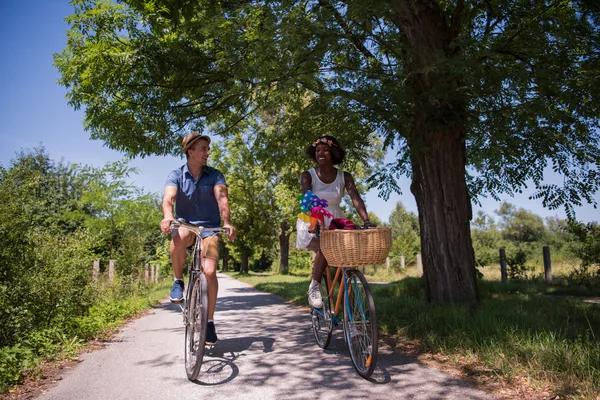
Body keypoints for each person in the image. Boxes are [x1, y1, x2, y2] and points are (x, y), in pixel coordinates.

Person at [160, 132, 236, 344]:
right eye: (203, 149)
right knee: (179, 233)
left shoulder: (215, 175)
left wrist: (227, 222)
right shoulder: (176, 175)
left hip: (210, 228)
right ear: (190, 151)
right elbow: (169, 198)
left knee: (210, 271)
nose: (207, 153)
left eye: (207, 149)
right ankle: (178, 280)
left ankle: (209, 322)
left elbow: (222, 199)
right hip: (187, 225)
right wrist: (168, 217)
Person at [300, 135, 375, 309]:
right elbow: (307, 195)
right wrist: (315, 219)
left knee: (346, 263)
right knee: (325, 246)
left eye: (325, 150)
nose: (321, 153)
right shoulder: (308, 175)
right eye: (318, 150)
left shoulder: (344, 176)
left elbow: (355, 197)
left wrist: (366, 220)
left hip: (334, 220)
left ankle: (353, 318)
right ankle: (314, 286)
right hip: (313, 218)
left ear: (333, 153)